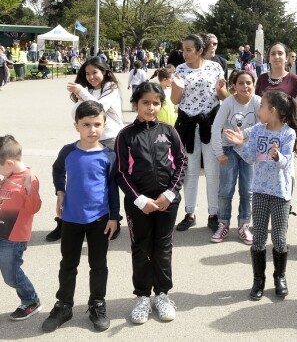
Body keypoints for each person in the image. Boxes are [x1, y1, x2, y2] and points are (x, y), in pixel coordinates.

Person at [42, 101, 119, 333]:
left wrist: (114, 217)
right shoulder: (68, 151)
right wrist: (60, 190)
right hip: (72, 219)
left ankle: (97, 303)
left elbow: (113, 187)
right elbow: (57, 170)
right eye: (86, 124)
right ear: (76, 126)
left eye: (97, 124)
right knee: (68, 264)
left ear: (104, 126)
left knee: (98, 265)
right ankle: (64, 305)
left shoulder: (109, 155)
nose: (92, 129)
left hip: (100, 220)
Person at [116, 82, 187, 324]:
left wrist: (169, 194)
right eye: (145, 102)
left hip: (167, 202)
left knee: (163, 247)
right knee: (142, 247)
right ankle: (143, 296)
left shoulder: (169, 132)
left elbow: (181, 163)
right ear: (135, 104)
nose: (151, 107)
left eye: (156, 103)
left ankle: (163, 295)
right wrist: (140, 199)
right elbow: (121, 172)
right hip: (140, 204)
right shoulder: (125, 135)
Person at [225, 90, 297, 300]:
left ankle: (280, 277)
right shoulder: (258, 130)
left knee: (279, 238)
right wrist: (240, 144)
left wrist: (277, 156)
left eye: (262, 106)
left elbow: (285, 164)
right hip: (259, 192)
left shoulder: (288, 133)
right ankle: (259, 279)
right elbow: (250, 157)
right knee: (258, 238)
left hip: (280, 194)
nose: (259, 110)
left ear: (272, 111)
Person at [47, 57, 124, 243]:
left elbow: (99, 109)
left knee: (108, 182)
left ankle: (114, 219)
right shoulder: (88, 90)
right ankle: (64, 221)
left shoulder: (111, 87)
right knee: (80, 180)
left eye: (95, 72)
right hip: (88, 138)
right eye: (87, 74)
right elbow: (79, 113)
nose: (91, 77)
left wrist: (82, 92)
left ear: (104, 71)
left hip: (110, 139)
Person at [172, 34, 228, 234]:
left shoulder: (215, 67)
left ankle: (213, 214)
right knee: (190, 170)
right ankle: (190, 213)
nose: (185, 53)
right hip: (187, 123)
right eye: (183, 50)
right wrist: (177, 88)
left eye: (188, 50)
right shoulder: (179, 69)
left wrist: (221, 89)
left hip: (210, 122)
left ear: (199, 50)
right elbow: (175, 101)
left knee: (213, 171)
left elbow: (223, 96)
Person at [210, 70, 261, 245]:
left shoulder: (258, 101)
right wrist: (219, 153)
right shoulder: (228, 103)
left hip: (249, 151)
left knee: (248, 190)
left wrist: (244, 134)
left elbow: (265, 122)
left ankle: (244, 225)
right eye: (241, 83)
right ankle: (223, 223)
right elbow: (216, 127)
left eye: (248, 83)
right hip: (228, 150)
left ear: (253, 84)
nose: (245, 86)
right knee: (225, 190)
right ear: (234, 86)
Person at [0, 135, 42, 321]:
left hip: (13, 238)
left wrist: (29, 191)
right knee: (8, 271)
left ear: (9, 162)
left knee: (11, 275)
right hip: (2, 231)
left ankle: (31, 300)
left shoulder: (28, 179)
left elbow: (34, 208)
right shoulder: (7, 177)